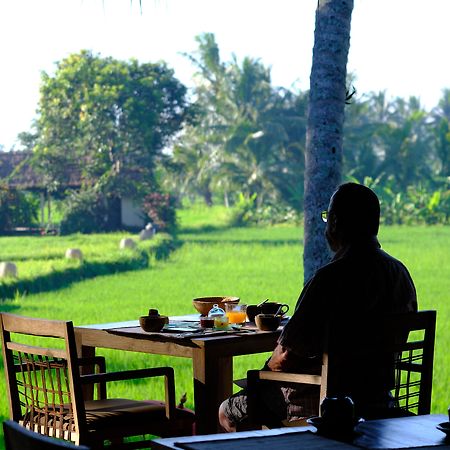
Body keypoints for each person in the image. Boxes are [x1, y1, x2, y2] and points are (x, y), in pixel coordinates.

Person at [219, 182, 418, 432]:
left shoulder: (331, 278)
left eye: (328, 218)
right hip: (378, 400)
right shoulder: (399, 274)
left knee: (229, 411)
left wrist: (263, 374)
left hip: (323, 401)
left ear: (334, 222)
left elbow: (287, 356)